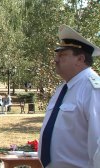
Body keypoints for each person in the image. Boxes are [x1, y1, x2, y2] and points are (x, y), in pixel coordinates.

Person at [38, 25, 100, 168]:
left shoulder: (93, 89)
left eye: (62, 55)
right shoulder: (63, 89)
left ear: (80, 59)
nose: (55, 59)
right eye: (56, 55)